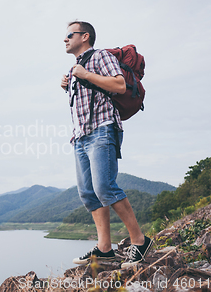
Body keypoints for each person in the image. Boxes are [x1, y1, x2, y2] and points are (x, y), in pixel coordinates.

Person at [60, 21, 152, 269]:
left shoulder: (100, 56)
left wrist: (85, 75)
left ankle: (140, 241)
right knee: (88, 193)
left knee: (105, 188)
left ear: (85, 36)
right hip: (80, 137)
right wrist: (69, 85)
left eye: (70, 34)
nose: (65, 39)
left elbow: (119, 85)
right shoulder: (75, 68)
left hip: (102, 131)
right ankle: (104, 250)